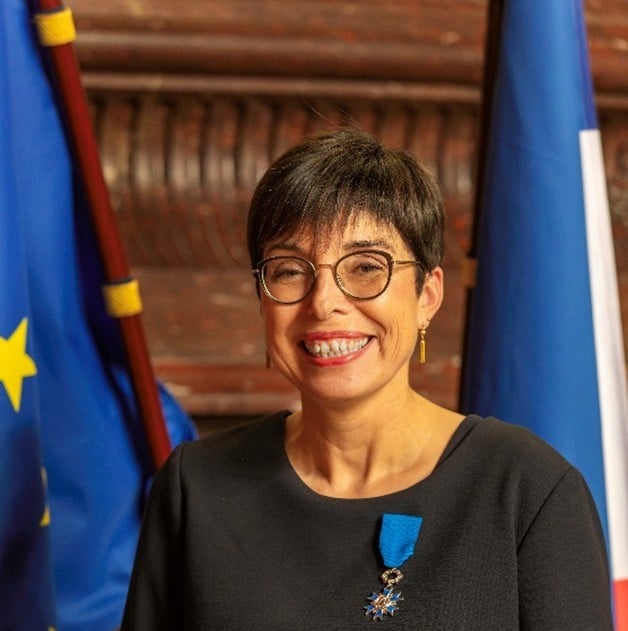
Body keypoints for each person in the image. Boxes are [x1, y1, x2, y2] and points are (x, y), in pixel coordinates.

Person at [121, 127, 613, 630]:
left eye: (365, 267)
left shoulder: (529, 491)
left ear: (427, 296)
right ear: (262, 300)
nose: (323, 303)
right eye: (289, 270)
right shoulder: (194, 488)